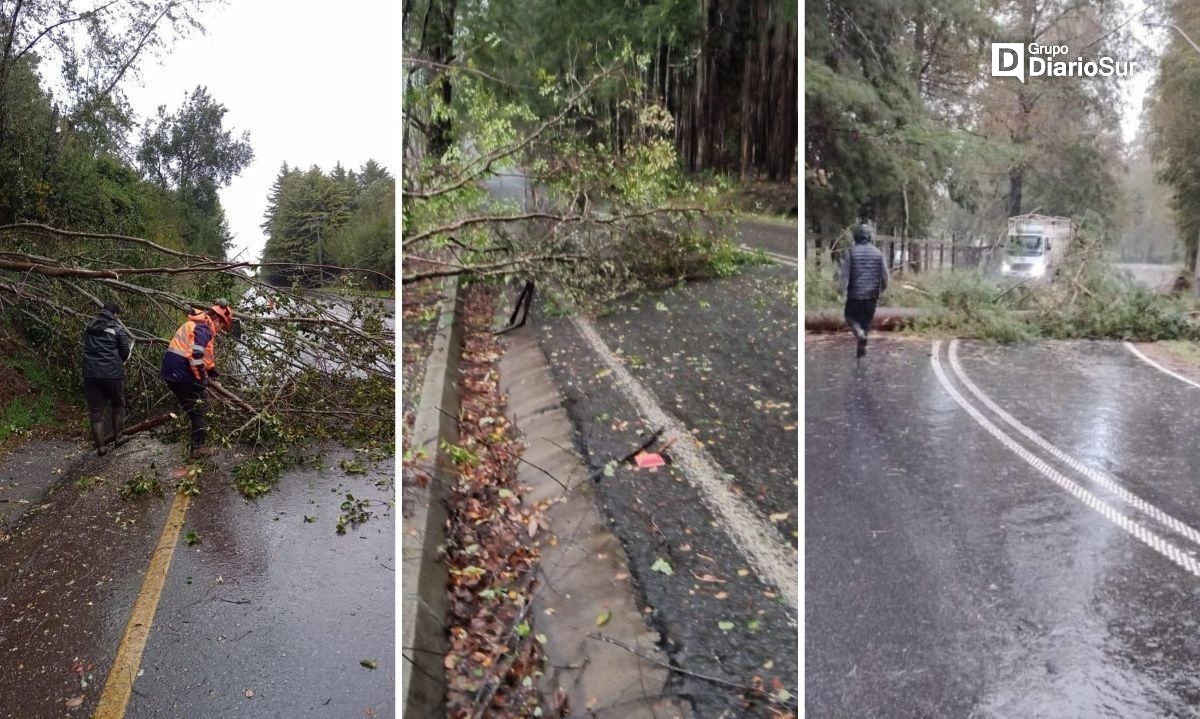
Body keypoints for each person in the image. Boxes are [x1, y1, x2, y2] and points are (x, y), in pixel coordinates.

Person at [161, 300, 234, 460]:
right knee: (201, 408)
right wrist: (202, 379)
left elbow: (201, 353)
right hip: (180, 373)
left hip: (174, 371)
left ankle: (197, 444)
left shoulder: (198, 324)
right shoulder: (204, 328)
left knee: (195, 409)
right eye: (222, 326)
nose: (221, 330)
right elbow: (195, 355)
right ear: (218, 320)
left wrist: (210, 369)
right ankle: (197, 449)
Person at [82, 303, 133, 456]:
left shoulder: (89, 327)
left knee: (96, 410)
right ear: (115, 314)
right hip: (113, 374)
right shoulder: (117, 329)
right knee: (118, 404)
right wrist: (123, 360)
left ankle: (101, 447)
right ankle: (118, 437)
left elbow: (87, 346)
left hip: (91, 373)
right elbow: (125, 351)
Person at [838, 223, 888, 359]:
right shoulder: (879, 253)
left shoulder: (851, 252)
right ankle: (861, 347)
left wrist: (840, 291)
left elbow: (844, 275)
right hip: (872, 295)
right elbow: (885, 276)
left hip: (855, 295)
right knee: (866, 322)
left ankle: (859, 335)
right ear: (869, 237)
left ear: (856, 237)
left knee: (849, 317)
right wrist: (882, 290)